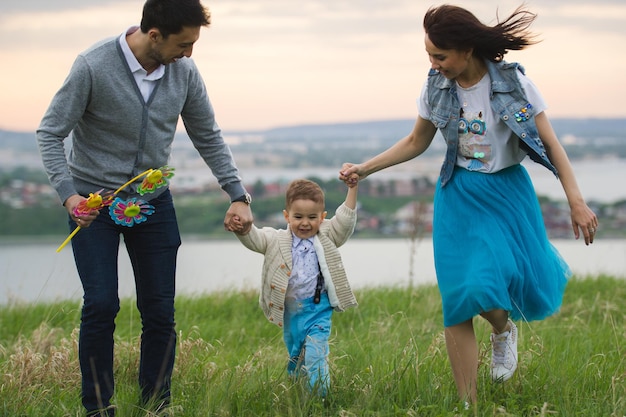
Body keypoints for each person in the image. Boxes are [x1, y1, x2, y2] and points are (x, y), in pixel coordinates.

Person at [339, 4, 598, 406]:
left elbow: (551, 144)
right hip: (457, 194)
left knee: (488, 282)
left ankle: (502, 330)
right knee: (458, 298)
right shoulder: (435, 86)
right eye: (428, 55)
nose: (433, 64)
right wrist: (365, 168)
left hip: (505, 194)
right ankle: (468, 404)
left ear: (466, 49)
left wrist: (576, 203)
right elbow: (416, 141)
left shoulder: (515, 85)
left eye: (439, 56)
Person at [36, 0, 253, 415]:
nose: (189, 53)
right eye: (183, 44)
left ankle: (157, 407)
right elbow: (49, 133)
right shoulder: (92, 66)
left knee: (160, 311)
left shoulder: (185, 72)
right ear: (154, 34)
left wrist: (237, 194)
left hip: (152, 202)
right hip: (93, 206)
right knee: (100, 305)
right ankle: (98, 408)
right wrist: (70, 195)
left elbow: (207, 134)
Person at [229, 179, 358, 396]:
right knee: (297, 355)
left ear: (322, 217)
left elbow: (344, 222)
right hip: (291, 312)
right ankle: (299, 392)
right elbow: (255, 239)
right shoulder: (276, 240)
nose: (305, 223)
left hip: (319, 310)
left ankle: (321, 397)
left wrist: (352, 188)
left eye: (312, 217)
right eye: (298, 217)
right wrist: (243, 228)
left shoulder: (326, 236)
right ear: (287, 215)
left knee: (316, 355)